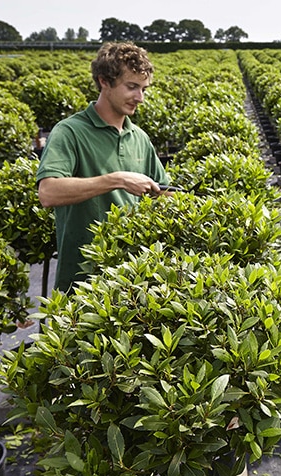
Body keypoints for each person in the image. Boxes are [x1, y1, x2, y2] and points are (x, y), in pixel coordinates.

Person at [37, 42, 170, 294]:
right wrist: (116, 180)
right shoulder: (69, 132)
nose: (139, 98)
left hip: (133, 282)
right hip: (81, 282)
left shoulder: (139, 137)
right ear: (104, 82)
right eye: (131, 87)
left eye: (143, 89)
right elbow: (48, 192)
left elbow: (162, 192)